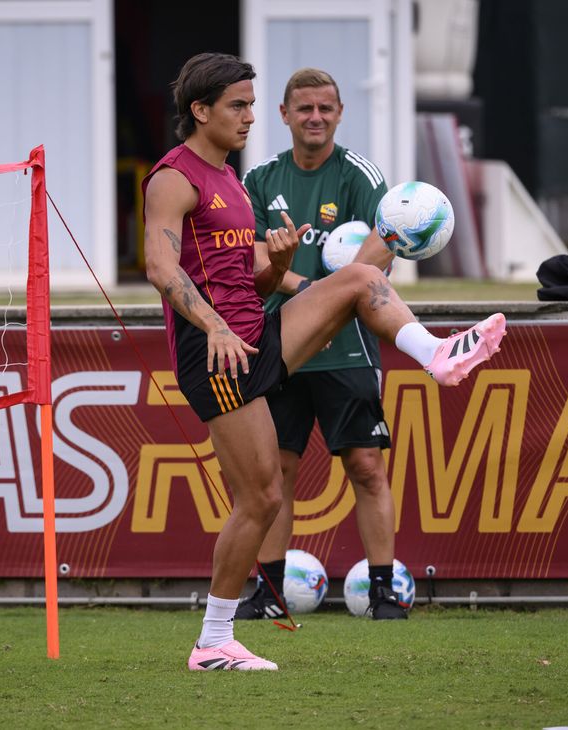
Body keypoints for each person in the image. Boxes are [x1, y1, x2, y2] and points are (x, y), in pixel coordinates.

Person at [142, 52, 506, 671]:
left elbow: (247, 279)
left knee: (361, 276)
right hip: (216, 353)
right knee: (260, 499)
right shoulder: (174, 177)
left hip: (254, 334)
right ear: (200, 111)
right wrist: (213, 325)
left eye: (253, 104)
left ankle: (437, 354)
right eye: (239, 105)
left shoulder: (231, 178)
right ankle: (213, 642)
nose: (251, 117)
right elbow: (160, 267)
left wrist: (280, 266)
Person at [235, 68, 405, 622]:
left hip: (347, 345)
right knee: (274, 472)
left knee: (366, 465)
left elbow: (382, 252)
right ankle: (270, 592)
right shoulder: (259, 178)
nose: (315, 118)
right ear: (283, 115)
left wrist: (330, 300)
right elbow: (252, 258)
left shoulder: (360, 175)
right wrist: (310, 290)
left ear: (338, 113)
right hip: (279, 344)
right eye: (304, 109)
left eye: (326, 109)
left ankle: (383, 592)